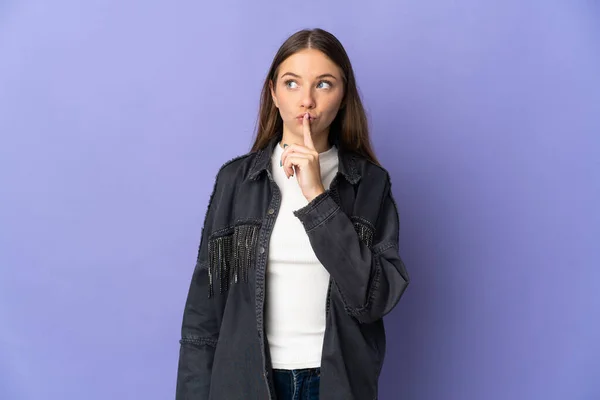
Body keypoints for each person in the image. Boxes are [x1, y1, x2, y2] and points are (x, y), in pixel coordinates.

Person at [176, 28, 409, 400]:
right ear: (273, 93)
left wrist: (316, 196)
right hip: (246, 383)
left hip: (334, 383)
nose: (306, 101)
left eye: (323, 85)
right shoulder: (237, 182)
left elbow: (373, 301)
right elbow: (205, 315)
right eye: (292, 83)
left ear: (343, 95)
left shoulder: (368, 185)